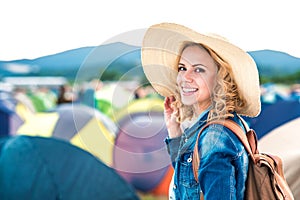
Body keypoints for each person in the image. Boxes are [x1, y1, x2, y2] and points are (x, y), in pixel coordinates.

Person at [141, 23, 261, 199]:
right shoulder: (223, 123)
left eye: (198, 69)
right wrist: (175, 132)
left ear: (219, 78)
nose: (185, 77)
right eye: (182, 68)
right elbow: (190, 180)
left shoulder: (214, 136)